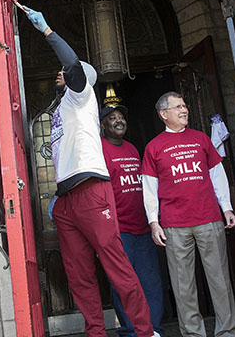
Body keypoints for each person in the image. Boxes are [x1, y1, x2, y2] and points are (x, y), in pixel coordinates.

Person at [22, 5, 156, 337]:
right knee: (79, 274)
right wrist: (58, 195)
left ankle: (145, 330)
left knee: (117, 266)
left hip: (92, 192)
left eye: (66, 72)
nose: (60, 73)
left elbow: (70, 62)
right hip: (67, 198)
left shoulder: (81, 97)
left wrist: (46, 30)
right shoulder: (59, 109)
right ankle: (95, 332)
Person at [142, 92, 235, 337]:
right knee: (183, 285)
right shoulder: (154, 147)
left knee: (220, 280)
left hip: (209, 218)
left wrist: (226, 207)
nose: (184, 110)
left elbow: (217, 175)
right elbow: (149, 189)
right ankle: (193, 334)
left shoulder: (201, 139)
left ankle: (227, 332)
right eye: (177, 107)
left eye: (184, 105)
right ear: (164, 114)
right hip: (175, 224)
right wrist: (154, 222)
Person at [100, 104, 164, 337]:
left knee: (150, 281)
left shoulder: (133, 149)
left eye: (121, 117)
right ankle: (131, 331)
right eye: (112, 118)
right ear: (103, 125)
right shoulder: (100, 150)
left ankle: (153, 329)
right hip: (119, 231)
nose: (119, 121)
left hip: (144, 227)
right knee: (124, 284)